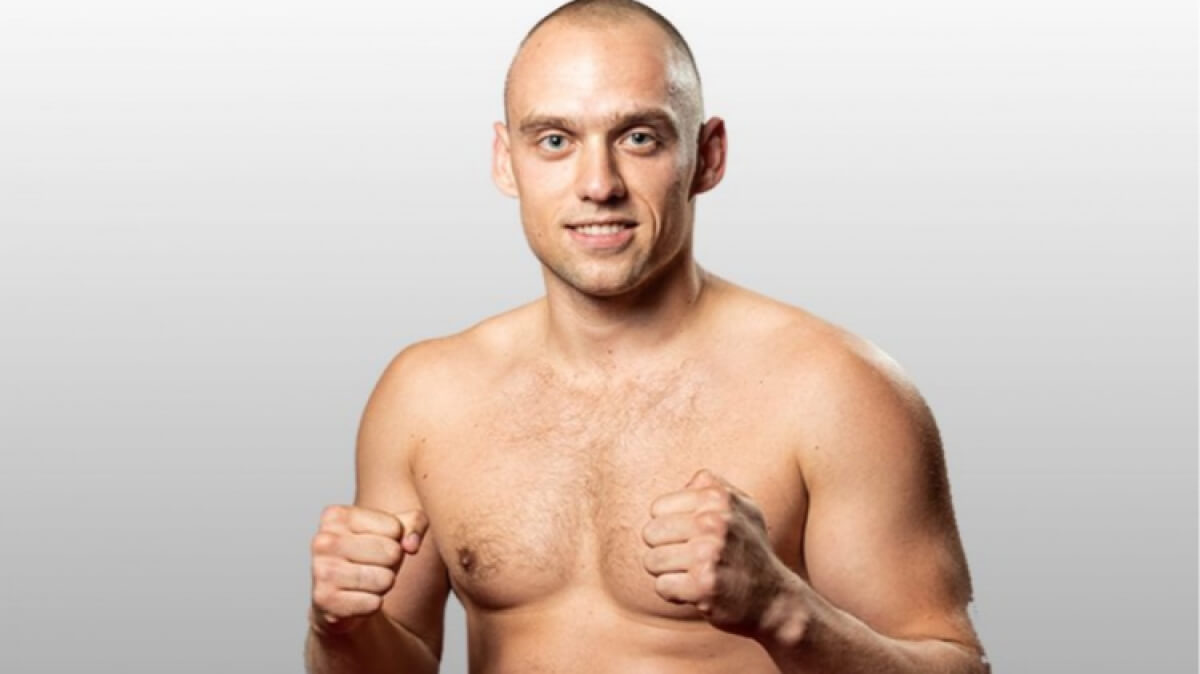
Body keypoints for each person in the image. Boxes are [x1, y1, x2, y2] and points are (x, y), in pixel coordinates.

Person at [305, 1, 990, 672]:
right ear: (506, 161)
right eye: (555, 141)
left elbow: (956, 665)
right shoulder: (426, 395)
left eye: (639, 137)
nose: (598, 184)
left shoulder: (835, 390)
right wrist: (341, 629)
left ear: (707, 156)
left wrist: (785, 610)